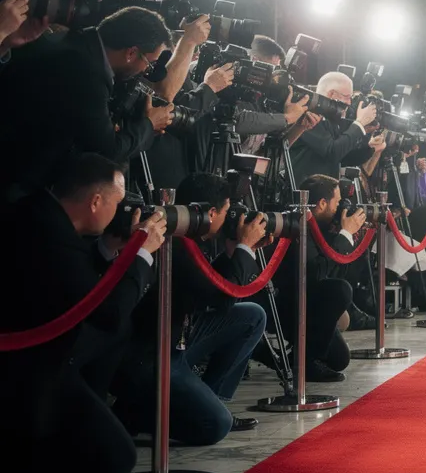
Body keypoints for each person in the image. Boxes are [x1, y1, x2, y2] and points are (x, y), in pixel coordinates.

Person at [0, 153, 167, 473]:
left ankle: (86, 405)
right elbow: (107, 313)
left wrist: (110, 249)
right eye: (118, 203)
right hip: (24, 365)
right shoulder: (48, 233)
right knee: (117, 459)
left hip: (42, 347)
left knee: (118, 333)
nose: (122, 211)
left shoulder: (39, 212)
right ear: (95, 201)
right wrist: (142, 253)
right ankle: (15, 451)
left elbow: (79, 283)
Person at [113, 173, 268, 444]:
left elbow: (207, 284)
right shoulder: (174, 243)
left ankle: (210, 396)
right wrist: (243, 247)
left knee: (252, 316)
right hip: (153, 354)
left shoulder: (189, 238)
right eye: (227, 212)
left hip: (180, 337)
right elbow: (222, 297)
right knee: (215, 425)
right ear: (210, 213)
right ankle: (137, 413)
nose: (230, 219)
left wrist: (235, 250)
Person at [0, 6, 176, 202]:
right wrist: (149, 124)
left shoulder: (76, 41)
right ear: (131, 53)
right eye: (149, 64)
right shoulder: (87, 72)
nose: (145, 72)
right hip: (15, 181)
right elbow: (107, 150)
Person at [267, 174, 361, 382]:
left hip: (308, 301)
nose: (339, 208)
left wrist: (344, 234)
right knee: (340, 290)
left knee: (339, 359)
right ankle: (305, 363)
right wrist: (345, 235)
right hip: (288, 307)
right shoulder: (299, 225)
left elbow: (335, 272)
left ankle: (293, 358)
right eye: (337, 202)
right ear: (322, 203)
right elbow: (316, 273)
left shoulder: (321, 226)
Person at [288, 70, 382, 183]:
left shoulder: (331, 120)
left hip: (325, 189)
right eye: (347, 97)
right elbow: (332, 152)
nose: (349, 103)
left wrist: (369, 145)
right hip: (304, 189)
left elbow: (344, 157)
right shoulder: (309, 114)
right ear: (332, 94)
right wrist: (359, 123)